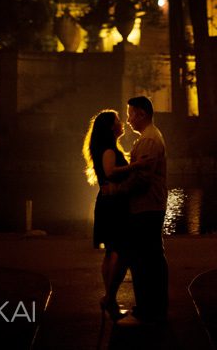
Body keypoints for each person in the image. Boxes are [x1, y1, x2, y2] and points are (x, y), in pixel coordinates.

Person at [104, 95, 169, 326]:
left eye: (131, 113)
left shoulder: (149, 141)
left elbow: (141, 179)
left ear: (141, 114)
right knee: (152, 258)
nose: (128, 119)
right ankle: (155, 305)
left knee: (144, 260)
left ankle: (147, 308)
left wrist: (117, 190)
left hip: (146, 206)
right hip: (150, 205)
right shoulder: (150, 137)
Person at [82, 109, 141, 321]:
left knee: (110, 252)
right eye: (118, 120)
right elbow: (110, 172)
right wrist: (136, 166)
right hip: (114, 204)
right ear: (110, 127)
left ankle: (110, 298)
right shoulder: (108, 149)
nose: (122, 123)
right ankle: (110, 296)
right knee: (120, 250)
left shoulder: (105, 147)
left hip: (107, 202)